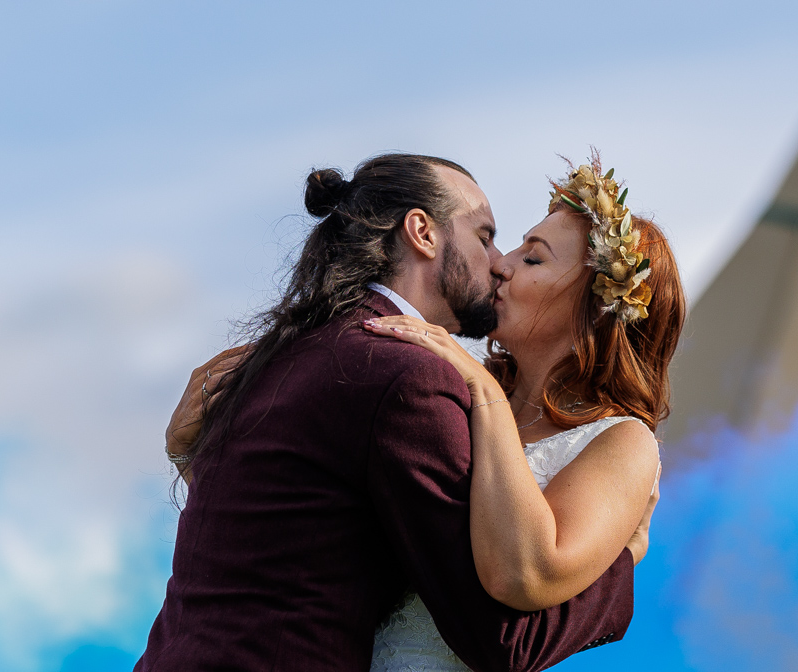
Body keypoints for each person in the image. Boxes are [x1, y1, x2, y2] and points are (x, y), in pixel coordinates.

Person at [139, 153, 663, 672]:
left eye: (530, 257)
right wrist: (621, 559)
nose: (499, 261)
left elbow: (291, 520)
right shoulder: (410, 377)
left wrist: (192, 457)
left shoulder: (288, 351)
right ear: (423, 233)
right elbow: (504, 641)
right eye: (485, 236)